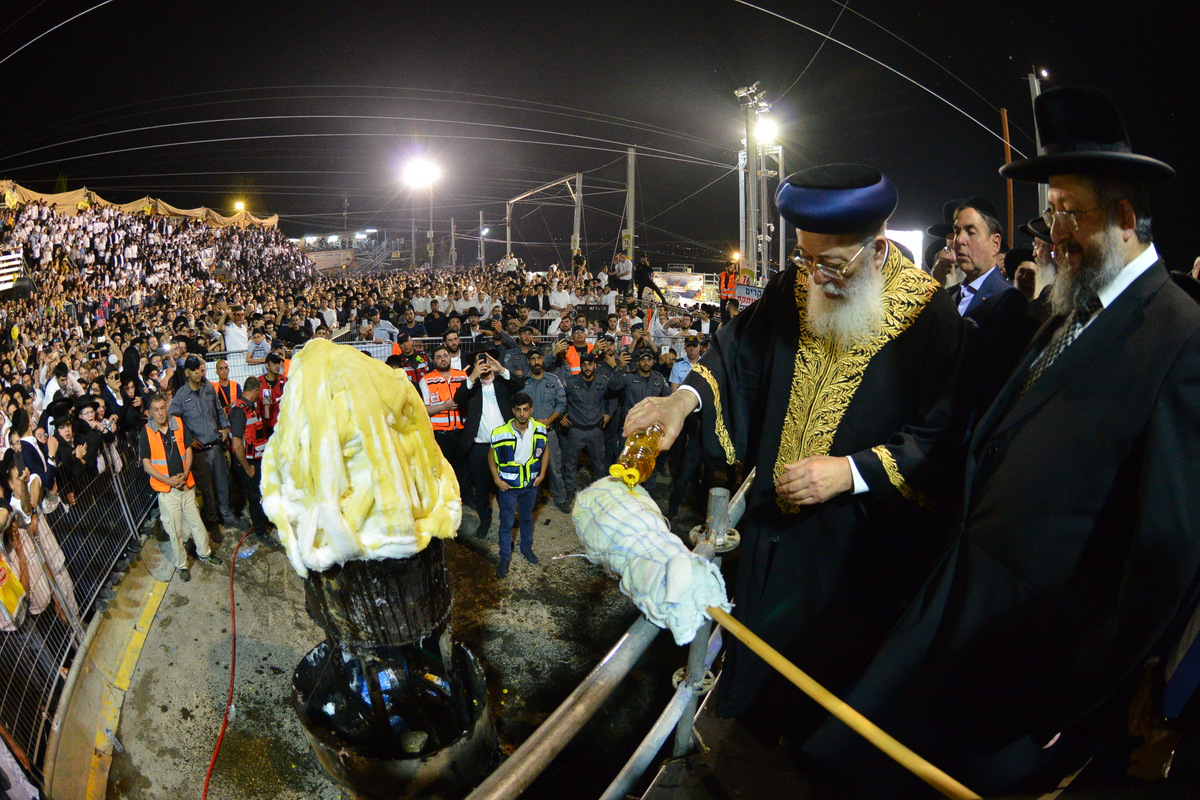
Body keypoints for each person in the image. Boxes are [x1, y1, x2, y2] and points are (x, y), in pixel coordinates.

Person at [799, 86, 1200, 798]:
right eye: (1052, 213)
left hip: (1029, 661)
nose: (1052, 236)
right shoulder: (1063, 312)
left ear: (1128, 218)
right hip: (955, 611)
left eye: (1069, 214)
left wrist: (1072, 695)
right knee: (850, 763)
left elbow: (1162, 558)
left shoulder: (1180, 338)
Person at [624, 164, 965, 756]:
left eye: (830, 264)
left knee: (823, 714)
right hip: (770, 529)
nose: (815, 278)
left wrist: (850, 471)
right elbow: (735, 357)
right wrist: (681, 401)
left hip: (852, 551)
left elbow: (942, 435)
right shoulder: (794, 289)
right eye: (804, 260)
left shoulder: (930, 320)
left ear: (879, 249)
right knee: (751, 694)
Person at [948, 196, 1037, 427]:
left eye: (971, 231)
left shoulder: (1008, 301)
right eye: (957, 231)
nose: (960, 241)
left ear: (995, 244)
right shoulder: (948, 296)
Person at [140, 392, 221, 582]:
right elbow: (147, 465)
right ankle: (182, 565)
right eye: (156, 410)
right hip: (167, 491)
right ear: (149, 412)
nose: (160, 413)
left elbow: (187, 449)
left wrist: (185, 473)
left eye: (162, 408)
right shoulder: (147, 432)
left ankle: (205, 552)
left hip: (186, 485)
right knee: (174, 530)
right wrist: (168, 481)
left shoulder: (177, 423)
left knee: (196, 522)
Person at [168, 355, 241, 538]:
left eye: (200, 369)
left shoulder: (209, 387)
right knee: (207, 489)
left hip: (216, 445)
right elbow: (172, 420)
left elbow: (218, 409)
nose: (198, 372)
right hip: (199, 453)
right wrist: (187, 438)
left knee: (223, 483)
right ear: (187, 373)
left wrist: (225, 428)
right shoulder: (181, 396)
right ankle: (213, 522)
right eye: (194, 370)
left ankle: (227, 515)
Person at [454, 350, 524, 538]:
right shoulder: (471, 387)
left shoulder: (502, 383)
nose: (484, 364)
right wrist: (472, 376)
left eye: (486, 361)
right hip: (479, 447)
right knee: (482, 488)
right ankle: (485, 521)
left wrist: (501, 369)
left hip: (504, 446)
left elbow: (520, 384)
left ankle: (508, 517)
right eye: (479, 362)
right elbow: (457, 399)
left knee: (506, 486)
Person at [488, 392, 548, 577]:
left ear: (531, 409)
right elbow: (491, 455)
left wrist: (543, 473)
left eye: (526, 410)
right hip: (509, 487)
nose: (522, 414)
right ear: (513, 410)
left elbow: (545, 451)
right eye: (518, 410)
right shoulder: (499, 432)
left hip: (530, 485)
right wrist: (497, 479)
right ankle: (505, 557)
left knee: (528, 518)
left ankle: (526, 549)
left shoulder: (540, 429)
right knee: (506, 523)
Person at [227, 376, 279, 550]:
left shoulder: (249, 407)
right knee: (255, 497)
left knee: (261, 493)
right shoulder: (239, 411)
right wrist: (247, 467)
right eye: (259, 392)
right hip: (248, 463)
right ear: (256, 390)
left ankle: (264, 521)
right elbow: (236, 443)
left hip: (256, 460)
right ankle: (260, 531)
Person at [559, 352, 615, 500]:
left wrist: (609, 413)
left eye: (590, 364)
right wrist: (562, 415)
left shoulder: (603, 381)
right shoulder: (571, 382)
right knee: (570, 463)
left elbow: (614, 397)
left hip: (596, 430)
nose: (587, 367)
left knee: (599, 464)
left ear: (595, 365)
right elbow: (559, 398)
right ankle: (570, 490)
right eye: (584, 364)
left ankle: (598, 492)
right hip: (576, 430)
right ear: (581, 366)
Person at [521, 348, 569, 513]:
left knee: (554, 467)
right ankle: (534, 499)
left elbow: (561, 403)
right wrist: (531, 423)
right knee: (531, 468)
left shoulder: (553, 380)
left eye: (539, 358)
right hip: (528, 434)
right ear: (529, 361)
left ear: (543, 360)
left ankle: (560, 498)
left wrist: (548, 421)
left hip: (549, 432)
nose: (536, 361)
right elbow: (517, 405)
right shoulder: (522, 382)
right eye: (532, 358)